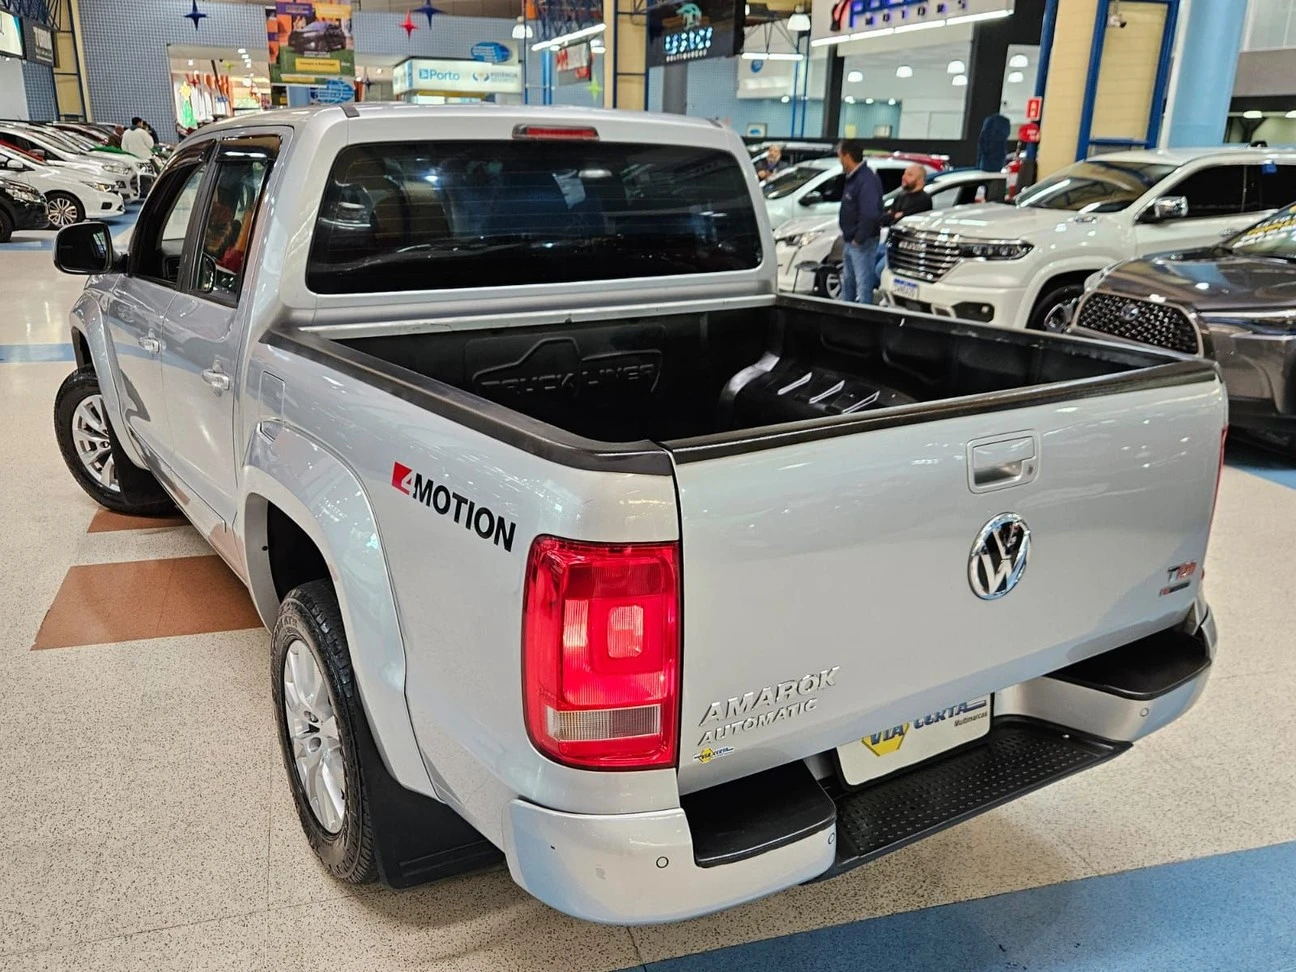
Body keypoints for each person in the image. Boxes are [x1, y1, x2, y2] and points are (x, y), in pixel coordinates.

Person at [836, 139, 884, 304]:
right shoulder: (855, 178)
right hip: (852, 241)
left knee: (863, 285)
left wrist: (859, 238)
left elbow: (870, 213)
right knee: (848, 283)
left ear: (847, 156)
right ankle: (845, 313)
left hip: (862, 243)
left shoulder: (866, 179)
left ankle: (863, 314)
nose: (839, 160)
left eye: (839, 156)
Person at [877, 163, 933, 278]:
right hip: (889, 241)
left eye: (909, 175)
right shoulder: (901, 196)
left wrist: (894, 216)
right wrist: (894, 216)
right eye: (904, 174)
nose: (904, 177)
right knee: (867, 263)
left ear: (919, 180)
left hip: (905, 248)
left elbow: (900, 220)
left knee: (879, 271)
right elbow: (885, 219)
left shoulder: (923, 200)